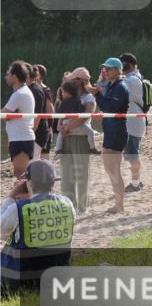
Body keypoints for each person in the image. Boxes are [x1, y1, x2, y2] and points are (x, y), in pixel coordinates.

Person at [1, 159, 75, 292]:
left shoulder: (19, 208)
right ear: (53, 182)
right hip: (57, 278)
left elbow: (1, 229)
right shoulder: (67, 204)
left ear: (29, 182)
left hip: (23, 280)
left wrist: (11, 196)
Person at [88, 58, 131, 214]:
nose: (105, 71)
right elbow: (108, 107)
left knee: (114, 170)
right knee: (110, 169)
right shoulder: (113, 85)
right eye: (104, 69)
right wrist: (97, 93)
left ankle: (120, 205)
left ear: (117, 70)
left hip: (117, 132)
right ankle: (118, 204)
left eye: (108, 69)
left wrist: (97, 94)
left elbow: (111, 107)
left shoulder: (120, 86)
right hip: (111, 131)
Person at [54, 79, 91, 214]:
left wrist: (67, 127)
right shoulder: (66, 100)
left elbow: (84, 117)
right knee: (66, 174)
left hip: (79, 138)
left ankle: (82, 206)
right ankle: (69, 205)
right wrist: (61, 128)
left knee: (81, 174)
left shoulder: (88, 97)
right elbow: (60, 115)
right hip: (66, 138)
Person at [3, 61, 37, 178]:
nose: (6, 77)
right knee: (20, 174)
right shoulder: (20, 92)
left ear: (15, 76)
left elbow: (3, 114)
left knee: (22, 176)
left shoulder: (20, 94)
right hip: (19, 138)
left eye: (8, 74)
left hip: (21, 138)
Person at [119, 53, 146, 193]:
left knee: (133, 154)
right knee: (132, 154)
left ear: (128, 64)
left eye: (121, 64)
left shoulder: (131, 80)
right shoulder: (134, 78)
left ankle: (135, 183)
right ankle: (137, 181)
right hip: (133, 122)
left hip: (133, 123)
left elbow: (114, 86)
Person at [29, 66, 54, 160]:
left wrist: (50, 126)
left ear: (40, 75)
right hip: (42, 126)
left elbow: (50, 110)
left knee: (43, 155)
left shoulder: (43, 89)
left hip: (43, 126)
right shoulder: (36, 88)